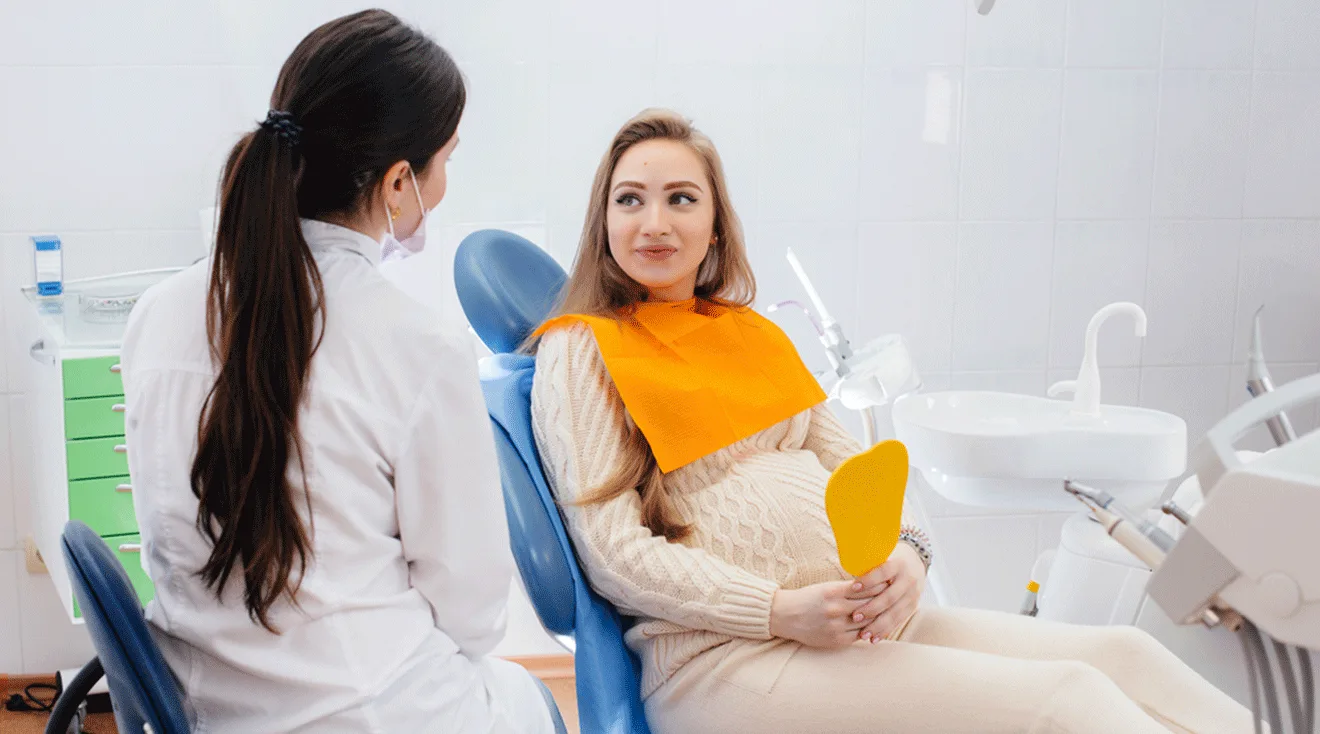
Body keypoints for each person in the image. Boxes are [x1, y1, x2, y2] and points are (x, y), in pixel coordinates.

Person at [528, 108, 1256, 733]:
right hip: (725, 660)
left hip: (852, 629)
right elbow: (613, 553)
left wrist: (911, 556)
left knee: (1123, 656)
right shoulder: (583, 348)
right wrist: (778, 611)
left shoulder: (749, 334)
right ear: (604, 223)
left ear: (715, 226)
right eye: (630, 200)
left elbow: (863, 469)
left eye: (681, 199)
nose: (654, 223)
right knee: (1067, 701)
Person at [119, 10, 560, 733]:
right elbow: (473, 615)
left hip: (199, 709)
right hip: (369, 714)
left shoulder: (157, 314)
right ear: (398, 182)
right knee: (526, 698)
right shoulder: (420, 346)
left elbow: (163, 546)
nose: (444, 182)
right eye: (445, 160)